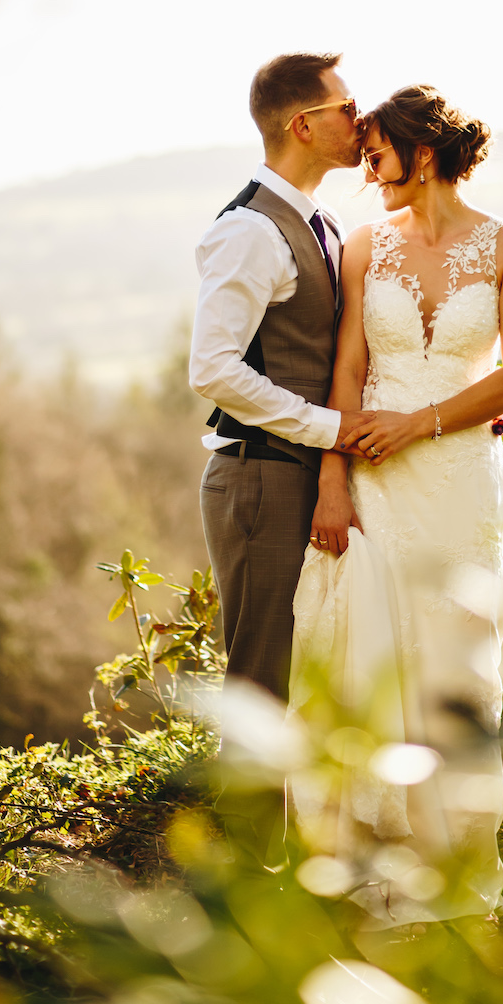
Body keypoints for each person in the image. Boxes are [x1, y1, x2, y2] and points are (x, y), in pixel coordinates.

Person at [288, 84, 503, 923]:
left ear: (420, 152)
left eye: (377, 155)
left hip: (462, 477)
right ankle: (374, 855)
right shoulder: (365, 247)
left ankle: (455, 861)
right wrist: (332, 480)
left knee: (458, 659)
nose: (368, 171)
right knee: (377, 647)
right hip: (374, 474)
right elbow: (347, 371)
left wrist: (422, 423)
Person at [189, 52, 376, 702]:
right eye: (347, 108)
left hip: (303, 473)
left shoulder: (325, 222)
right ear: (302, 124)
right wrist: (329, 430)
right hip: (261, 479)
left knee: (308, 674)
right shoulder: (249, 230)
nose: (361, 119)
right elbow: (212, 368)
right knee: (260, 684)